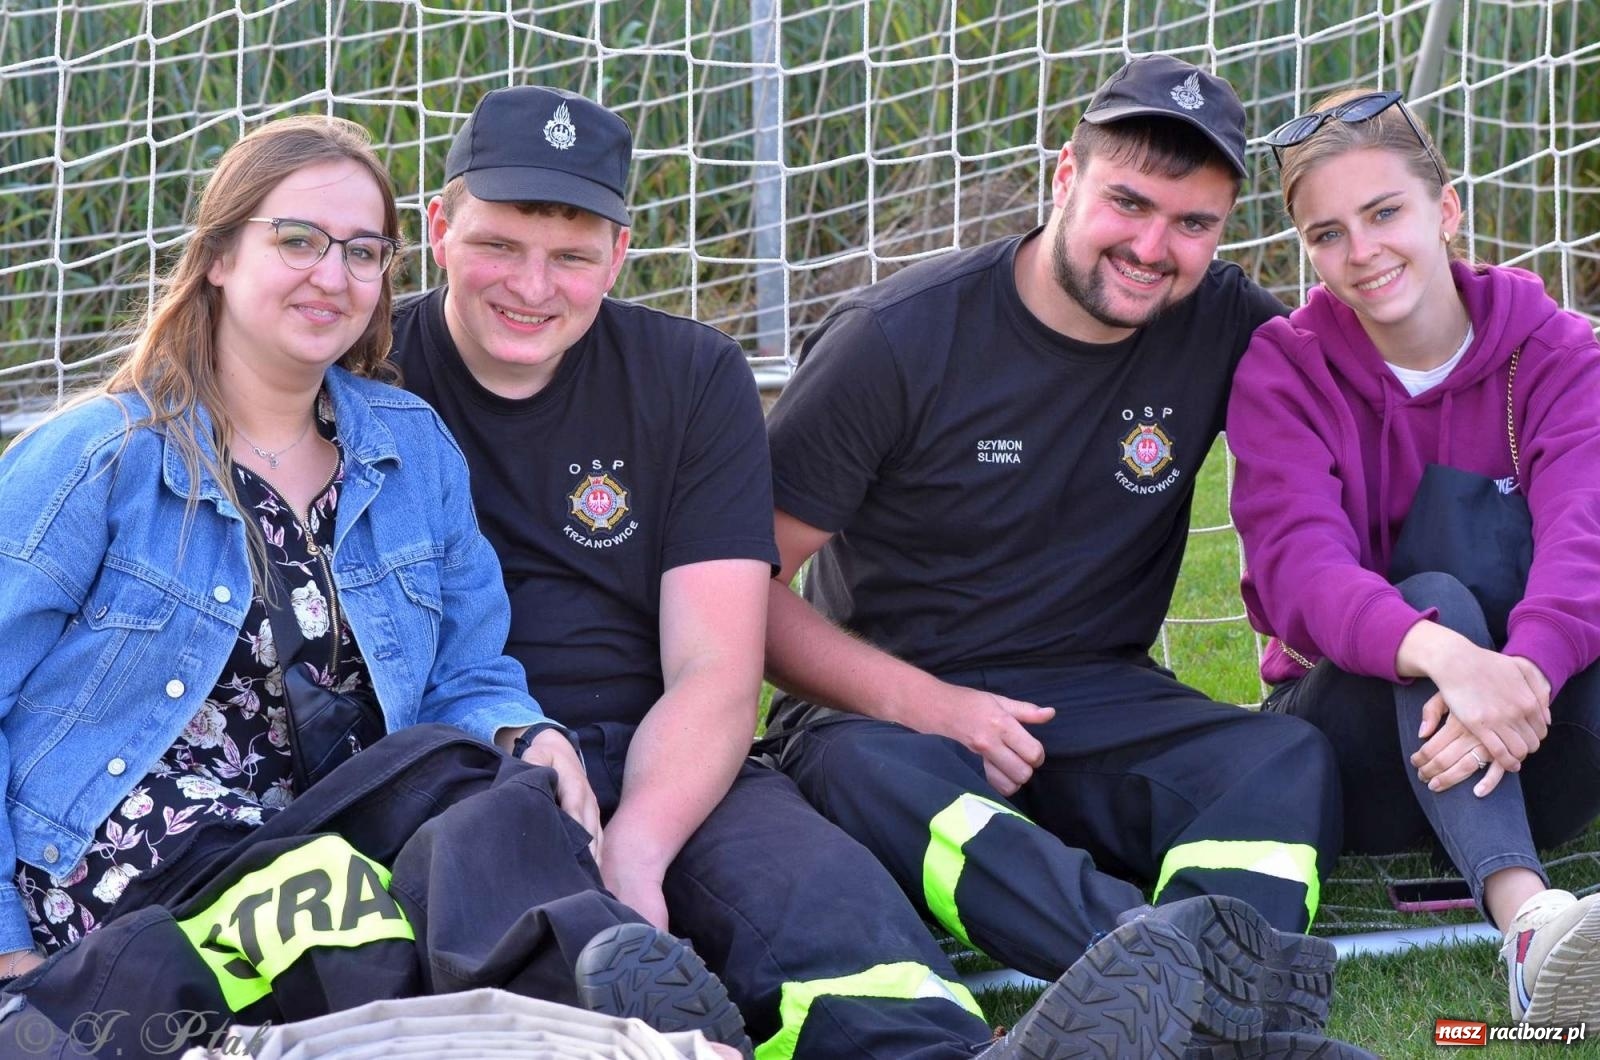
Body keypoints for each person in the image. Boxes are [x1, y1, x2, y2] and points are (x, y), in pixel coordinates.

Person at [391, 82, 1288, 1060]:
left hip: (679, 750)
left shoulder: (691, 374)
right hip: (473, 759)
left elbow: (715, 664)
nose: (532, 285)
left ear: (620, 252)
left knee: (837, 921)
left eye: (570, 255)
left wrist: (641, 845)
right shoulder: (364, 372)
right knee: (563, 933)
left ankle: (1067, 1030)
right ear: (436, 226)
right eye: (498, 245)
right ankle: (651, 1027)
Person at [0, 115, 751, 1056]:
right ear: (222, 255)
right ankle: (628, 1032)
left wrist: (528, 731)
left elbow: (469, 672)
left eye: (362, 251)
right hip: (152, 865)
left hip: (326, 827)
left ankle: (610, 997)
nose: (332, 273)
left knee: (486, 787)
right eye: (299, 240)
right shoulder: (99, 460)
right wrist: (6, 953)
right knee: (351, 924)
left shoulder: (408, 446)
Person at [761, 55, 1352, 1054]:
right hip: (896, 710)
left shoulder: (1223, 325)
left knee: (1282, 753)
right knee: (858, 771)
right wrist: (929, 704)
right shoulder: (895, 338)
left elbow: (1388, 391)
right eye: (1128, 201)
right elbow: (740, 588)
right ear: (1064, 176)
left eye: (1192, 223)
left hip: (1098, 691)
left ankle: (1202, 969)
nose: (1153, 246)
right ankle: (1164, 975)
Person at [1229, 88, 1600, 1024]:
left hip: (1525, 725)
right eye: (1328, 233)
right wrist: (1445, 654)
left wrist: (1516, 675)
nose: (1362, 253)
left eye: (1385, 212)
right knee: (1431, 595)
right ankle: (1531, 932)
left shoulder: (1555, 352)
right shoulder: (1285, 366)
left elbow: (1585, 540)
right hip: (1355, 759)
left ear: (1446, 209)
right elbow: (1298, 571)